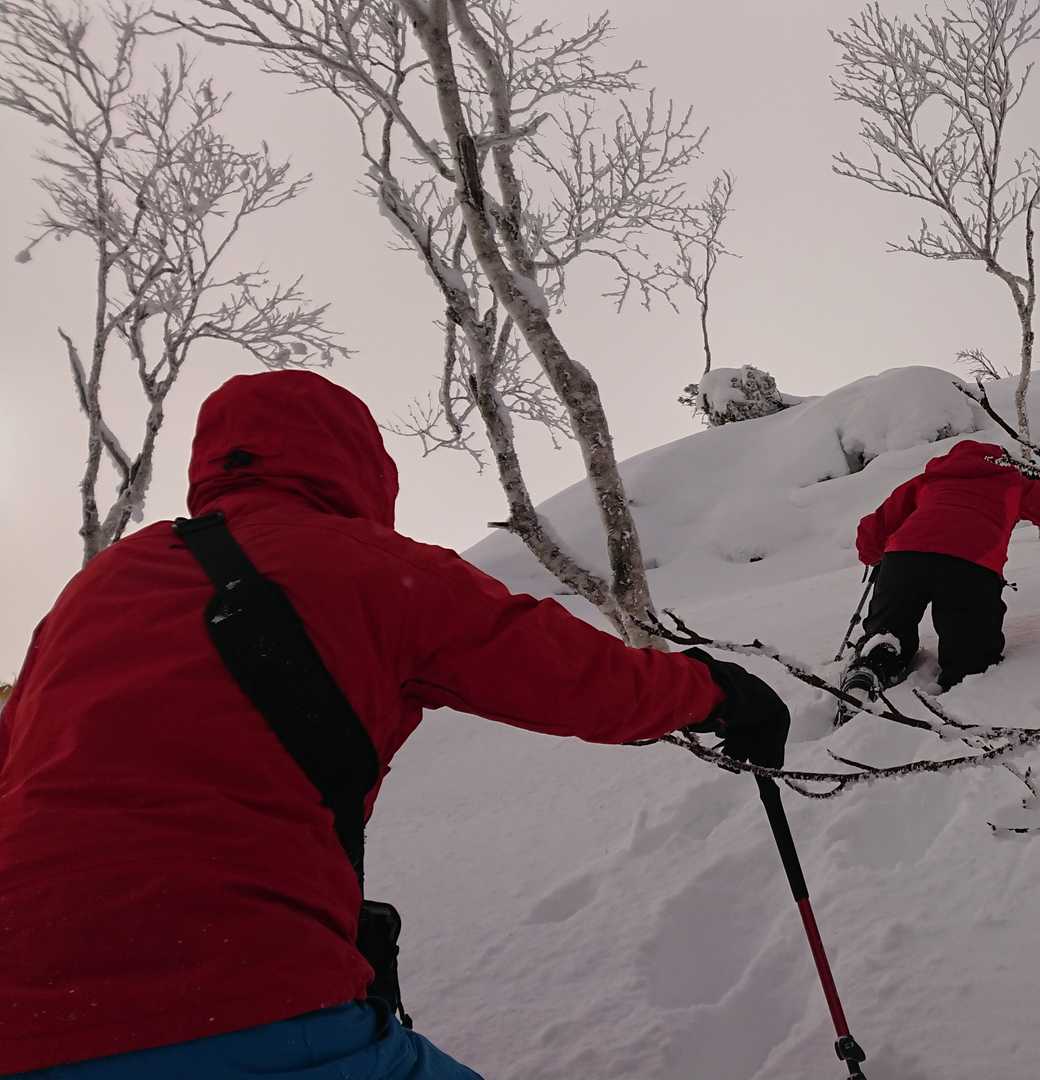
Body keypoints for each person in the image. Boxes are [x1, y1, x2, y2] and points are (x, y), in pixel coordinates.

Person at [0, 371, 789, 1079]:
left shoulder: (97, 586)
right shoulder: (371, 564)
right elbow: (579, 680)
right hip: (236, 991)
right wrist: (718, 694)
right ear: (360, 465)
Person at [846, 439, 1040, 700]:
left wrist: (873, 556)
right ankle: (961, 694)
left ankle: (872, 668)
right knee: (971, 653)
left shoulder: (930, 479)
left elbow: (875, 528)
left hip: (904, 559)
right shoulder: (1013, 480)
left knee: (889, 631)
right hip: (970, 563)